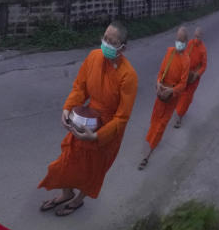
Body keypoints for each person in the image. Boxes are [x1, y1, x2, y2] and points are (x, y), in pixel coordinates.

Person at [38, 21, 138, 216]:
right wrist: (68, 108)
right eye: (106, 38)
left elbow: (122, 117)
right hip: (85, 119)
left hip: (107, 133)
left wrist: (97, 137)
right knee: (66, 161)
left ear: (123, 47)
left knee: (93, 171)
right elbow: (80, 87)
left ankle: (77, 200)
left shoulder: (129, 75)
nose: (107, 43)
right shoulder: (93, 57)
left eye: (113, 41)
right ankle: (65, 194)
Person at [138, 26, 190, 170]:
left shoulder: (186, 61)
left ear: (186, 41)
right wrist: (159, 82)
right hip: (161, 94)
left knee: (161, 125)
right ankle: (151, 139)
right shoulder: (169, 52)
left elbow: (183, 84)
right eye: (177, 39)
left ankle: (146, 155)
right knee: (154, 119)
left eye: (181, 40)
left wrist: (171, 91)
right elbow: (161, 72)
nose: (178, 43)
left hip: (171, 97)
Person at [174, 26, 207, 128]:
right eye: (195, 36)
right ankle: (180, 109)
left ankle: (179, 117)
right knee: (180, 93)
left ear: (202, 37)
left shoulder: (203, 50)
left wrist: (196, 74)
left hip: (193, 78)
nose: (196, 39)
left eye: (199, 37)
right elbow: (183, 53)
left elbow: (204, 65)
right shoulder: (190, 43)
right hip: (185, 74)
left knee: (186, 97)